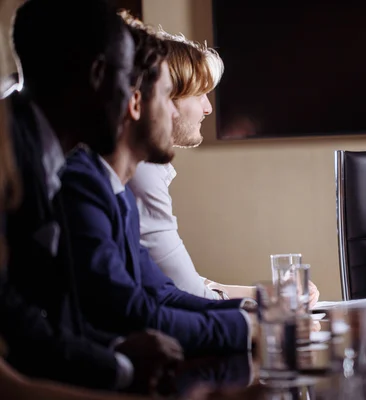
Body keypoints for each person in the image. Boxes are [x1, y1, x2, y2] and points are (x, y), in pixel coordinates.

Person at [3, 0, 182, 391]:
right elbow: (13, 325)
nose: (131, 98)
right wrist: (121, 366)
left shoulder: (41, 151)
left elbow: (50, 318)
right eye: (125, 79)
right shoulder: (8, 159)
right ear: (98, 75)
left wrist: (118, 349)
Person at [58, 18, 256, 356]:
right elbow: (127, 309)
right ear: (135, 103)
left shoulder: (117, 193)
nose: (203, 108)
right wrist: (250, 326)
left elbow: (161, 292)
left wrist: (258, 317)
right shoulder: (86, 184)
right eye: (168, 96)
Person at [127, 26, 320, 304]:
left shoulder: (148, 169)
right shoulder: (143, 172)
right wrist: (260, 313)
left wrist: (268, 294)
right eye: (199, 94)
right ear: (164, 97)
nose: (208, 109)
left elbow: (184, 282)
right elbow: (188, 294)